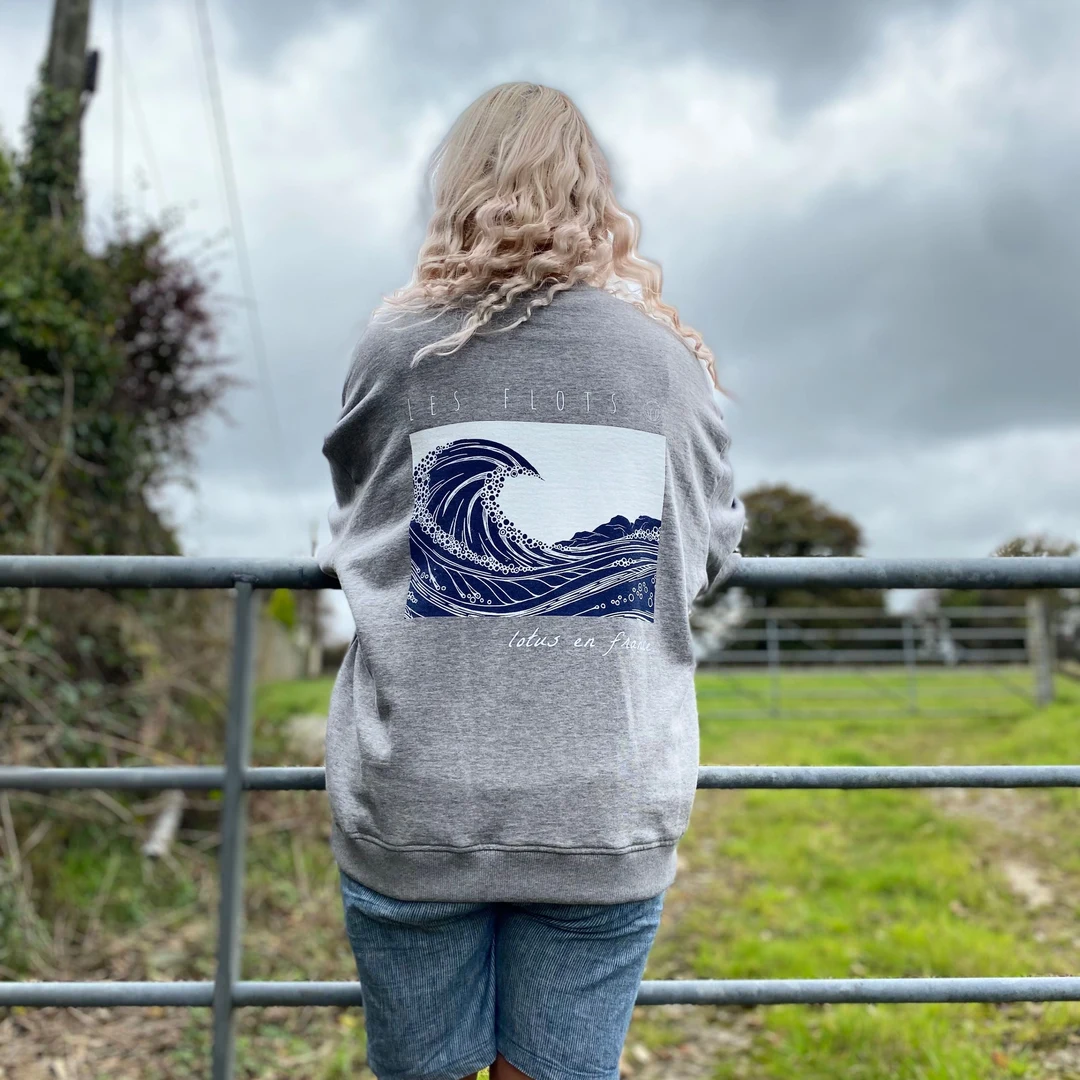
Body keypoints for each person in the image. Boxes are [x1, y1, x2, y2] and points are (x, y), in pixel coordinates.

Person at [316, 81, 745, 1080]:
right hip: (603, 806)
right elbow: (711, 546)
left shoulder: (396, 350)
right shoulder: (667, 366)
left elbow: (361, 515)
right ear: (596, 194)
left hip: (421, 800)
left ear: (457, 188)